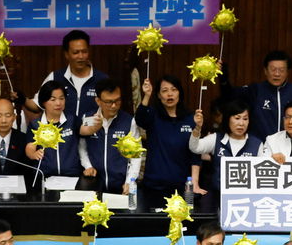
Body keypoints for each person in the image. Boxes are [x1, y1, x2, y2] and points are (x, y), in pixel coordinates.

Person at [133, 75, 195, 211]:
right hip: (154, 186)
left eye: (174, 89)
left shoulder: (190, 118)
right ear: (159, 95)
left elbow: (195, 151)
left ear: (180, 93)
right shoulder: (153, 115)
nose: (169, 94)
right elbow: (140, 119)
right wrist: (146, 95)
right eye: (164, 91)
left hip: (181, 185)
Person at [189, 98, 262, 212]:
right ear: (228, 118)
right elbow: (195, 147)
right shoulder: (216, 138)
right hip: (218, 198)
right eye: (237, 118)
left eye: (245, 119)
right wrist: (197, 128)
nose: (241, 123)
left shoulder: (257, 144)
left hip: (246, 200)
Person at [30, 29, 107, 128]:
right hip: (63, 134)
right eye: (76, 52)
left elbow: (109, 110)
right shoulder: (55, 77)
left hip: (93, 133)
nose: (81, 56)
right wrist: (22, 99)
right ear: (66, 54)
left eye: (84, 52)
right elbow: (37, 104)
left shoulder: (102, 79)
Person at [242, 51, 292, 141]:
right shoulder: (255, 90)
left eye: (281, 70)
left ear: (287, 72)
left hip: (290, 146)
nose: (277, 74)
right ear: (265, 71)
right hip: (261, 146)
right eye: (273, 69)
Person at [80, 79, 140, 196]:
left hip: (121, 186)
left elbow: (136, 156)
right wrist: (88, 166)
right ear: (98, 101)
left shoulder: (128, 121)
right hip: (94, 184)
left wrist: (130, 181)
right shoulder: (88, 119)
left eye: (117, 101)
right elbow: (82, 147)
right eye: (109, 102)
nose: (114, 106)